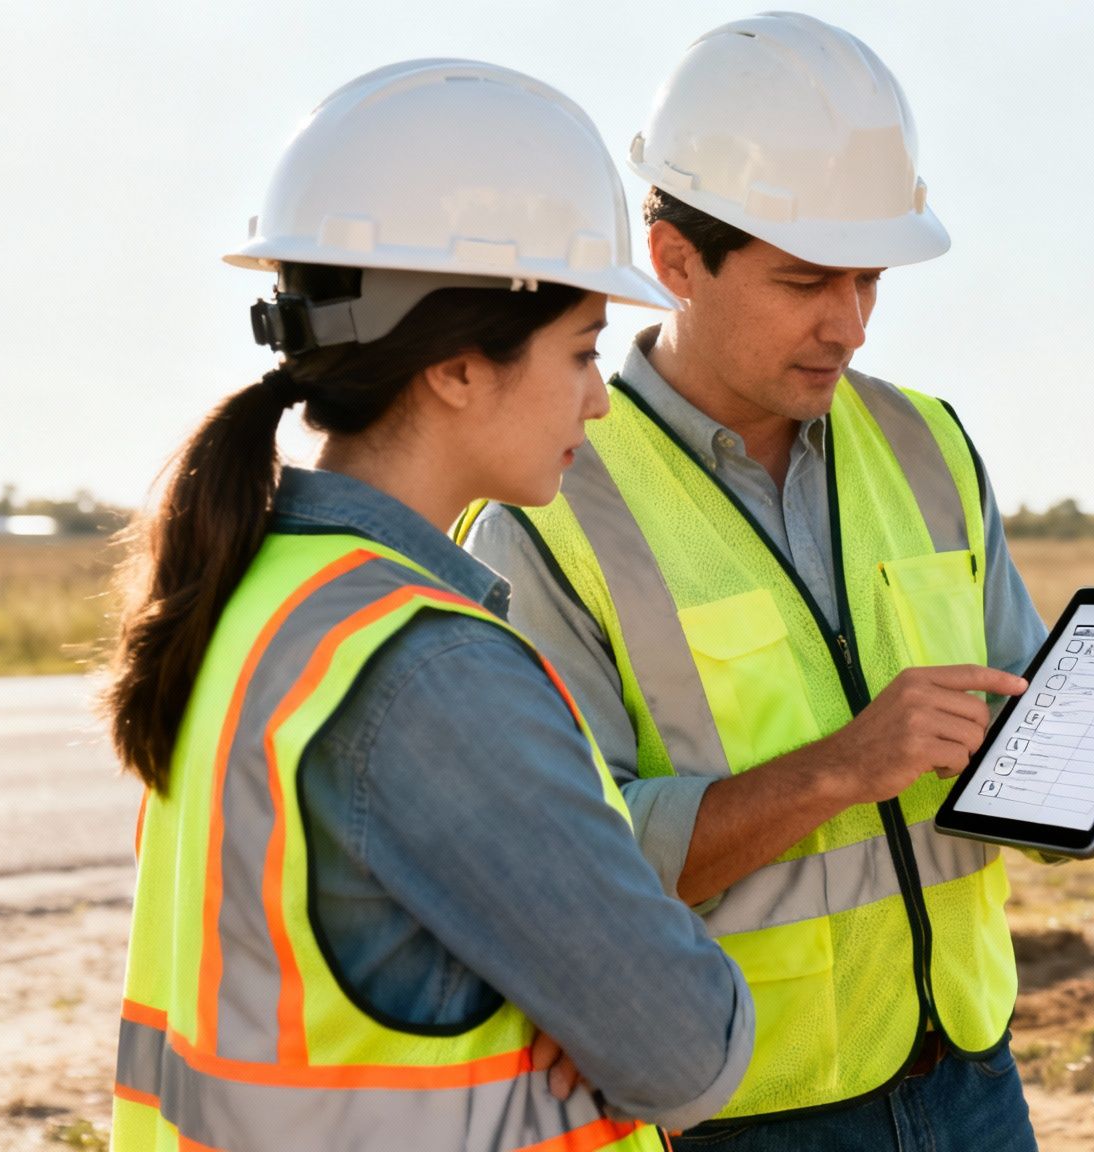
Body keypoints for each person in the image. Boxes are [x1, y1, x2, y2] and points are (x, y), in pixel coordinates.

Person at [460, 15, 1094, 1148]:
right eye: (807, 281)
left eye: (869, 278)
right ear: (673, 261)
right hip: (742, 1112)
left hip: (969, 1074)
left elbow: (1007, 737)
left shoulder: (926, 445)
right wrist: (842, 768)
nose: (850, 324)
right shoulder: (553, 505)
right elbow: (573, 879)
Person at [100, 60, 751, 1152]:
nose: (598, 394)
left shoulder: (256, 594)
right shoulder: (426, 668)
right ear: (456, 368)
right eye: (581, 350)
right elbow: (687, 1050)